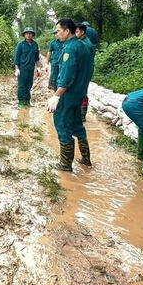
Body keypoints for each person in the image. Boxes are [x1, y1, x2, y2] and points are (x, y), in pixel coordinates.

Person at [47, 18, 94, 171]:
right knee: (78, 126)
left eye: (59, 31)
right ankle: (86, 159)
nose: (57, 35)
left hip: (68, 95)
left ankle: (65, 165)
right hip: (79, 94)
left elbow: (67, 76)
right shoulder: (85, 46)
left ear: (67, 31)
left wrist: (57, 95)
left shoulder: (69, 49)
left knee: (62, 126)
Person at [14, 27, 40, 107]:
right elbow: (16, 57)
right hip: (22, 68)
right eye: (27, 33)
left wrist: (38, 67)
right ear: (24, 35)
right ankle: (21, 101)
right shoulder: (20, 45)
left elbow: (37, 57)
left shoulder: (35, 44)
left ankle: (27, 100)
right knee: (22, 85)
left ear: (32, 35)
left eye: (30, 33)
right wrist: (17, 68)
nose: (29, 35)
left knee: (29, 84)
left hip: (31, 68)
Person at [76, 24, 96, 121]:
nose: (75, 34)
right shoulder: (84, 42)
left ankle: (82, 115)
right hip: (85, 70)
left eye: (76, 32)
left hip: (84, 71)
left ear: (82, 32)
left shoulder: (85, 44)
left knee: (82, 92)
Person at [45, 27, 63, 95]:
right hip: (55, 63)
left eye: (57, 33)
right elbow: (49, 53)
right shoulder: (53, 43)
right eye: (55, 34)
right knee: (54, 78)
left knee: (62, 78)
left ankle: (60, 93)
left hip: (63, 64)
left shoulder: (65, 41)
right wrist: (46, 63)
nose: (56, 35)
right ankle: (54, 93)